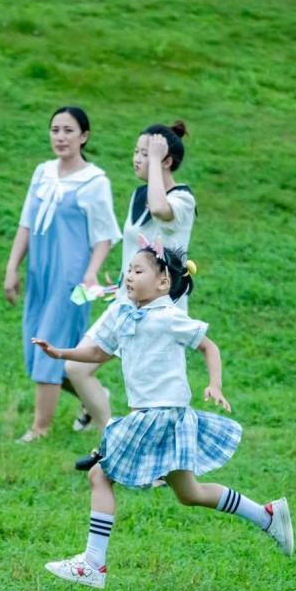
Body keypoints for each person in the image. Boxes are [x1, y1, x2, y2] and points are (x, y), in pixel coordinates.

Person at [32, 244, 294, 589]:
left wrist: (215, 385)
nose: (128, 275)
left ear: (163, 281)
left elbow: (208, 346)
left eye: (138, 271)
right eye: (128, 269)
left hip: (162, 416)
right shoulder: (126, 314)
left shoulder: (168, 316)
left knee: (99, 475)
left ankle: (93, 564)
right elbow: (98, 351)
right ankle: (267, 515)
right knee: (190, 494)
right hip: (155, 417)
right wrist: (61, 352)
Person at [66, 121, 196, 469]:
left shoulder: (181, 199)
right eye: (137, 152)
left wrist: (155, 159)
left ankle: (158, 468)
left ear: (165, 161)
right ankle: (112, 442)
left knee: (150, 397)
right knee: (75, 367)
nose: (136, 159)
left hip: (160, 314)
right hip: (126, 305)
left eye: (145, 154)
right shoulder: (139, 194)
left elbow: (160, 211)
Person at [4, 106, 121, 443]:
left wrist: (91, 274)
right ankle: (94, 395)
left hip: (72, 278)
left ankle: (39, 429)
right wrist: (13, 267)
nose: (60, 137)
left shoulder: (95, 181)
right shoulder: (42, 172)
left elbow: (105, 235)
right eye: (55, 130)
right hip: (40, 274)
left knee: (49, 346)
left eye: (69, 130)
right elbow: (26, 222)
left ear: (84, 136)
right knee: (38, 349)